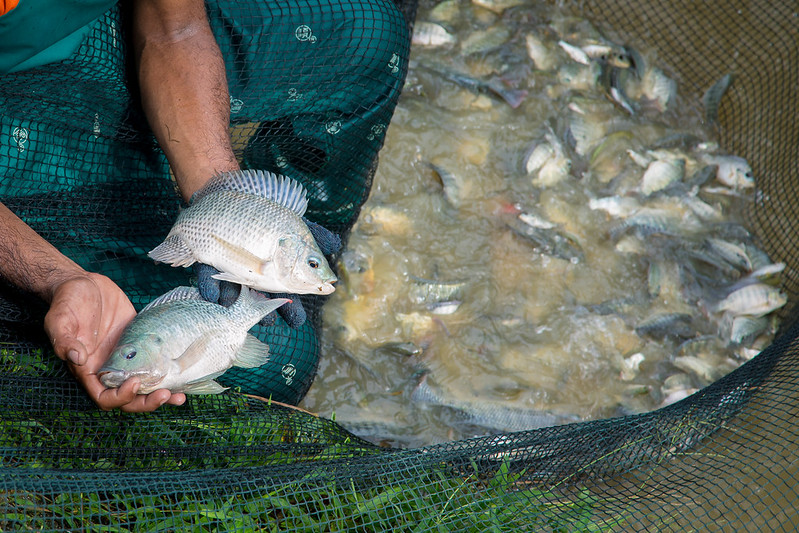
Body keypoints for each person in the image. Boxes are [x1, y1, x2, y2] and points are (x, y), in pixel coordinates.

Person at [0, 0, 410, 411]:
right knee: (283, 357)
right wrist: (55, 276)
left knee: (370, 34)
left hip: (109, 29)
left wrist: (223, 196)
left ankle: (313, 253)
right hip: (14, 104)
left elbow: (173, 28)